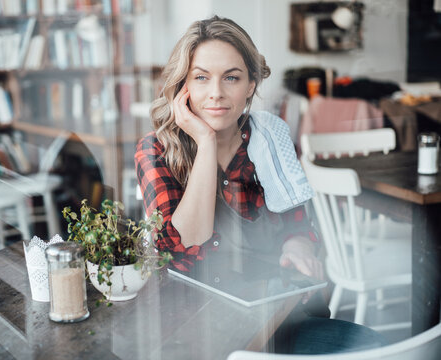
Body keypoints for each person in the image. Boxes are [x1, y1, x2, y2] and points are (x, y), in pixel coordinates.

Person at [135, 15, 386, 354]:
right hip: (195, 328)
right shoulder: (156, 150)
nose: (216, 93)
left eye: (232, 78)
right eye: (201, 78)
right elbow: (183, 245)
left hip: (276, 317)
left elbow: (299, 226)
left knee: (377, 347)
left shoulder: (271, 141)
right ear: (184, 87)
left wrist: (298, 246)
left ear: (250, 85)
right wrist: (206, 142)